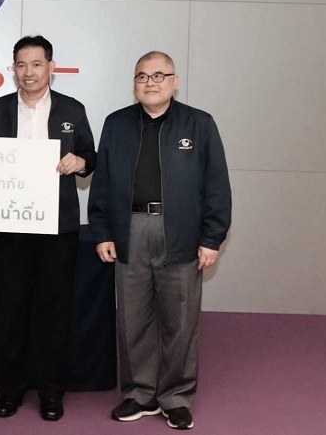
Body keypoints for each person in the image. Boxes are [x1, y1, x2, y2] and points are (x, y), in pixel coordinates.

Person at [88, 51, 232, 430]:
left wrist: (212, 238)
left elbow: (217, 185)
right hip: (130, 230)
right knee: (132, 318)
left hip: (180, 232)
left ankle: (176, 397)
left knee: (180, 321)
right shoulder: (116, 124)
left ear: (174, 81)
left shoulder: (199, 124)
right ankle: (139, 393)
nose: (150, 83)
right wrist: (103, 232)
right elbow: (101, 185)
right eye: (142, 76)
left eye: (158, 75)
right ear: (134, 83)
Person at [0, 35, 96, 421]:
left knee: (55, 314)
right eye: (21, 65)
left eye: (36, 64)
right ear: (12, 69)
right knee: (11, 312)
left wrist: (81, 162)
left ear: (51, 67)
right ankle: (11, 391)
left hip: (57, 230)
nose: (28, 72)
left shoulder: (72, 109)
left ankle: (51, 393)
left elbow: (91, 155)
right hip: (10, 229)